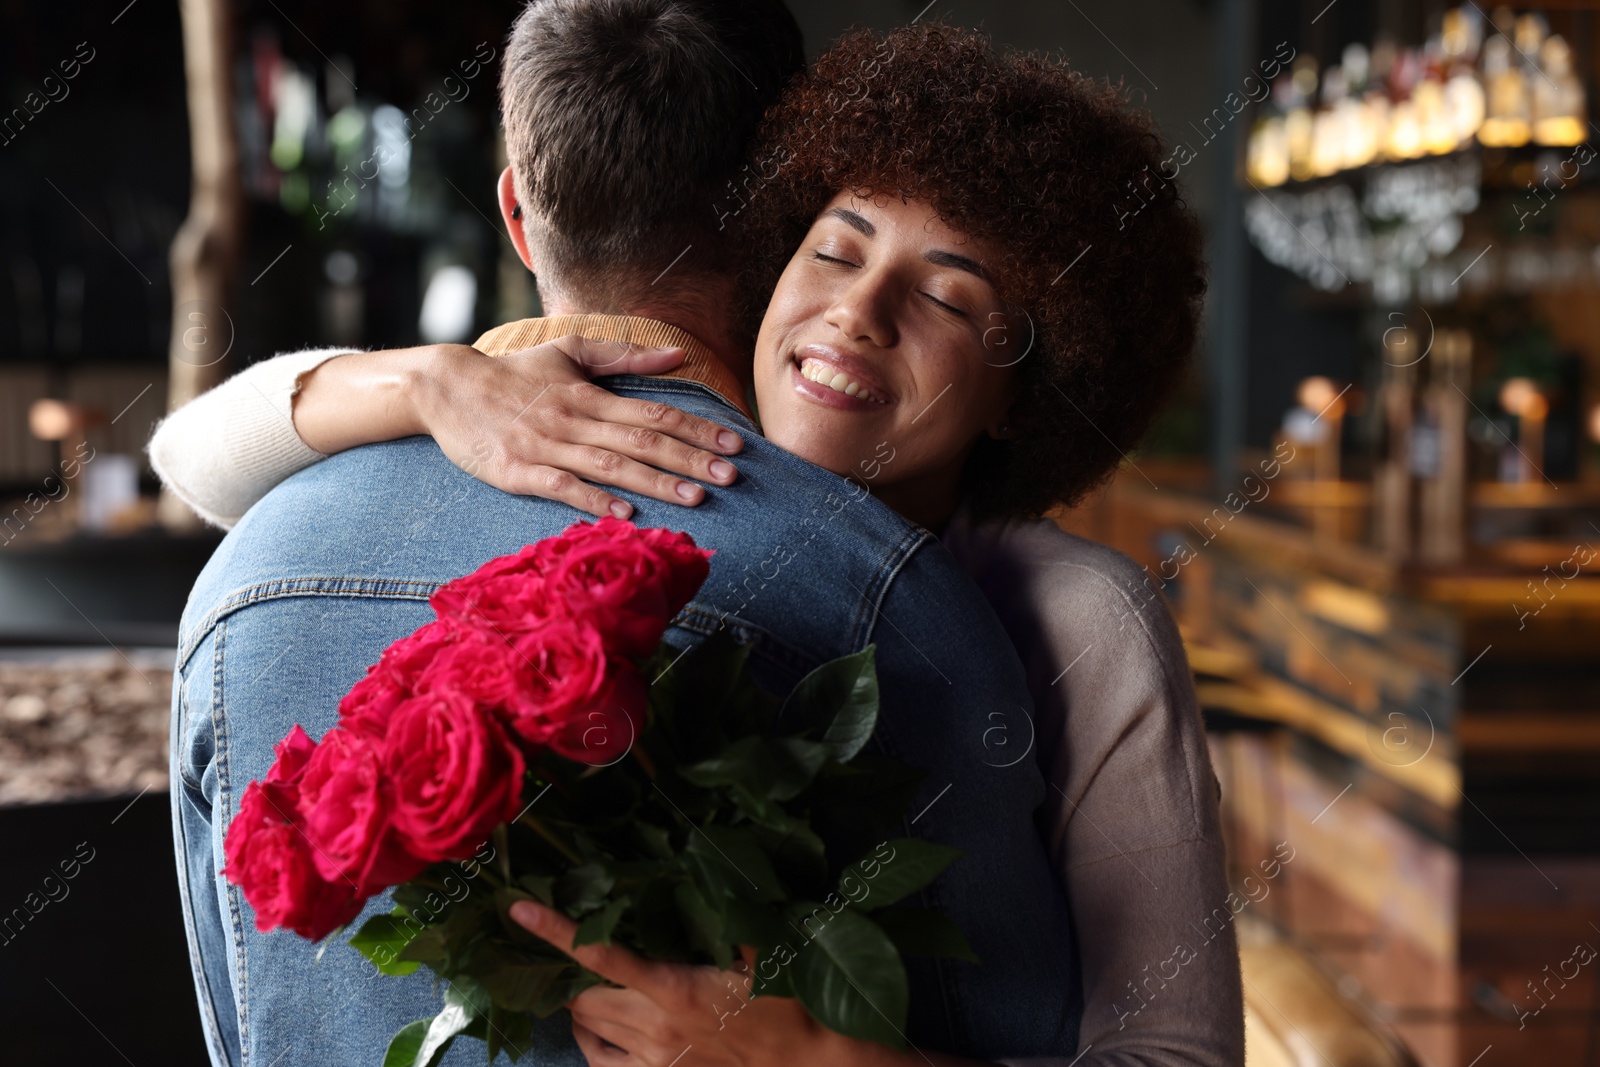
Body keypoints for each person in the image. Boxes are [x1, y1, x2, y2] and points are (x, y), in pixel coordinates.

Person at [157, 14, 1243, 1067]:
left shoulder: (1063, 617)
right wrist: (433, 377)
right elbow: (194, 449)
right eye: (832, 251)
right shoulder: (642, 474)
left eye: (952, 303)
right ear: (765, 248)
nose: (858, 313)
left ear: (1032, 385)